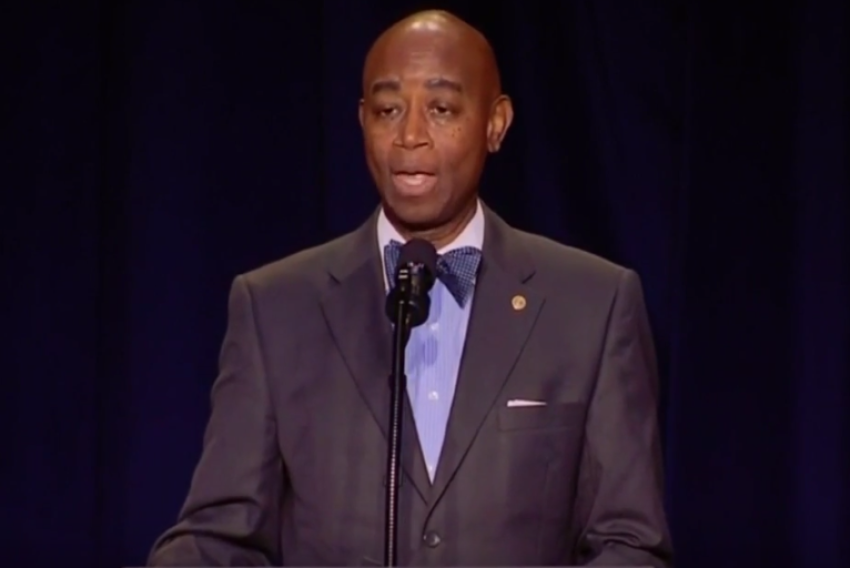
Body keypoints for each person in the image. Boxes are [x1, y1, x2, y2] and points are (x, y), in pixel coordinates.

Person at [148, 9, 673, 568]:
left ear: (495, 124)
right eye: (388, 110)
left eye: (441, 109)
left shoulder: (593, 305)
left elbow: (630, 544)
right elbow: (220, 539)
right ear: (362, 121)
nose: (410, 136)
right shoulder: (275, 307)